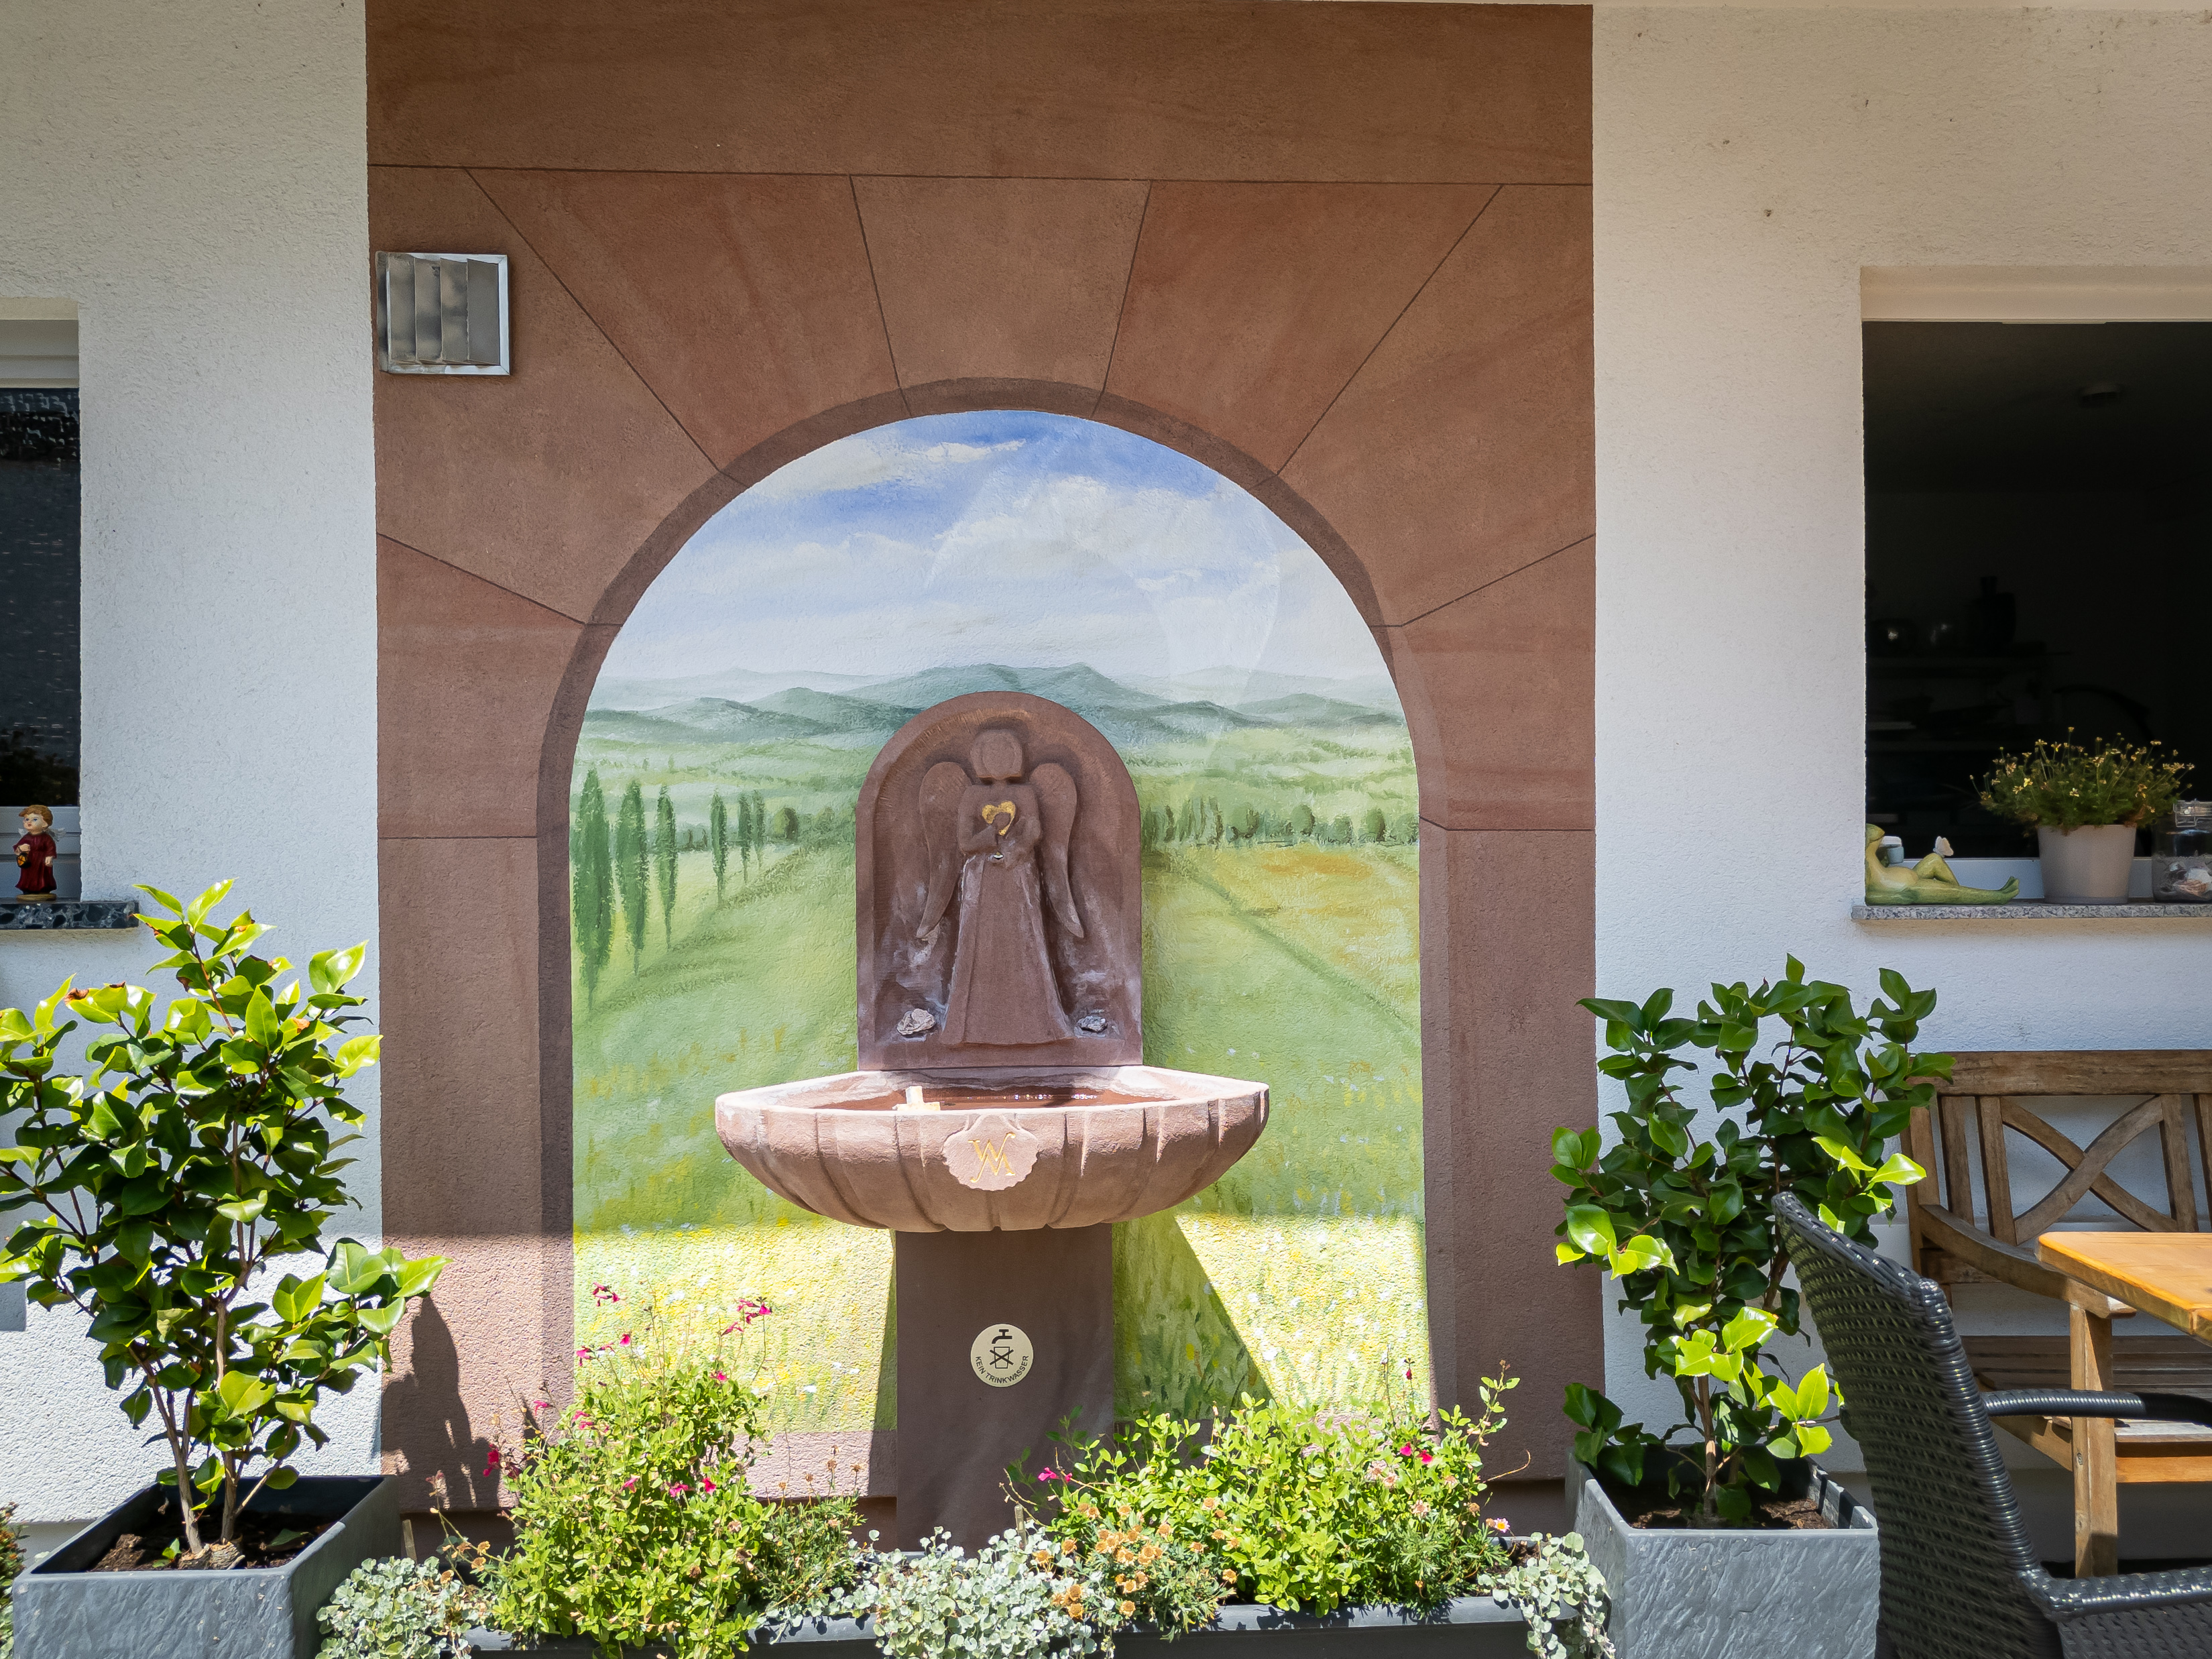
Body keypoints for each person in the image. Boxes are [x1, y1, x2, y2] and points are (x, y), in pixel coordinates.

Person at [14, 805, 57, 901]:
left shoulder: (46, 838)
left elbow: (51, 847)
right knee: (28, 876)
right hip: (30, 862)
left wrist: (49, 857)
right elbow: (17, 848)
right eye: (27, 819)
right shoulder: (26, 837)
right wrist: (20, 848)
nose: (29, 822)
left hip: (41, 862)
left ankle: (43, 888)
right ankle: (28, 889)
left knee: (42, 876)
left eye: (34, 820)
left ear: (44, 824)